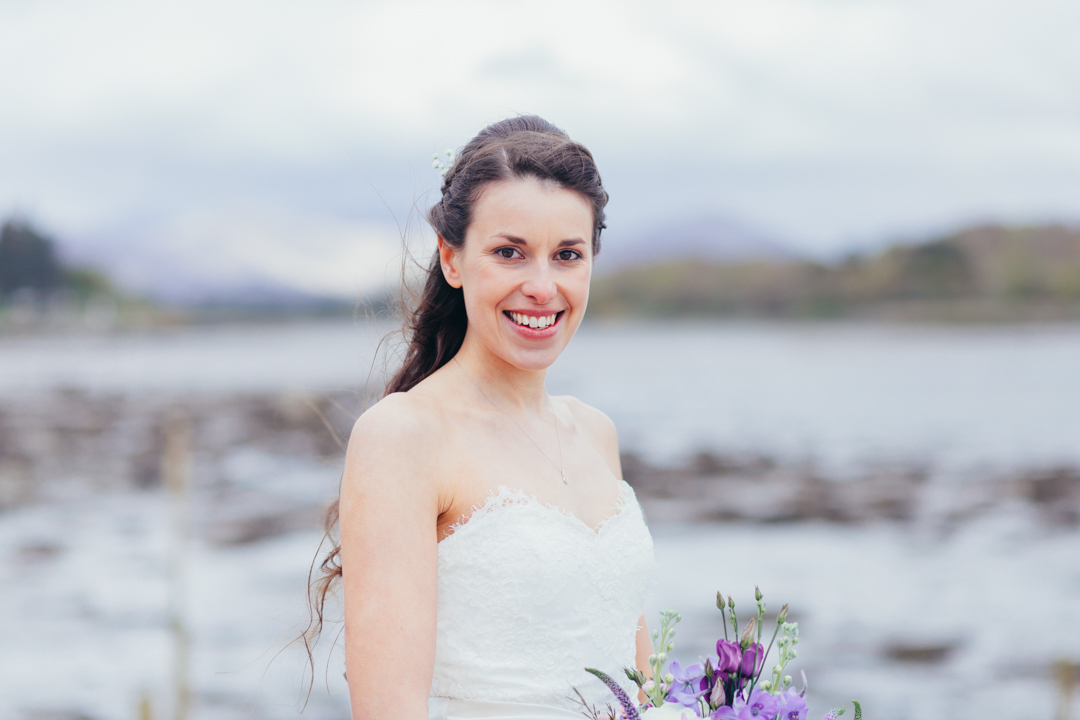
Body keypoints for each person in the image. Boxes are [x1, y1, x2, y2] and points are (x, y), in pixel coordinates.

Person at [310, 116, 656, 720]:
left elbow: (640, 688)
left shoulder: (597, 434)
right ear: (452, 258)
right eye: (509, 253)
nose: (543, 287)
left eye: (567, 255)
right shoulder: (404, 436)